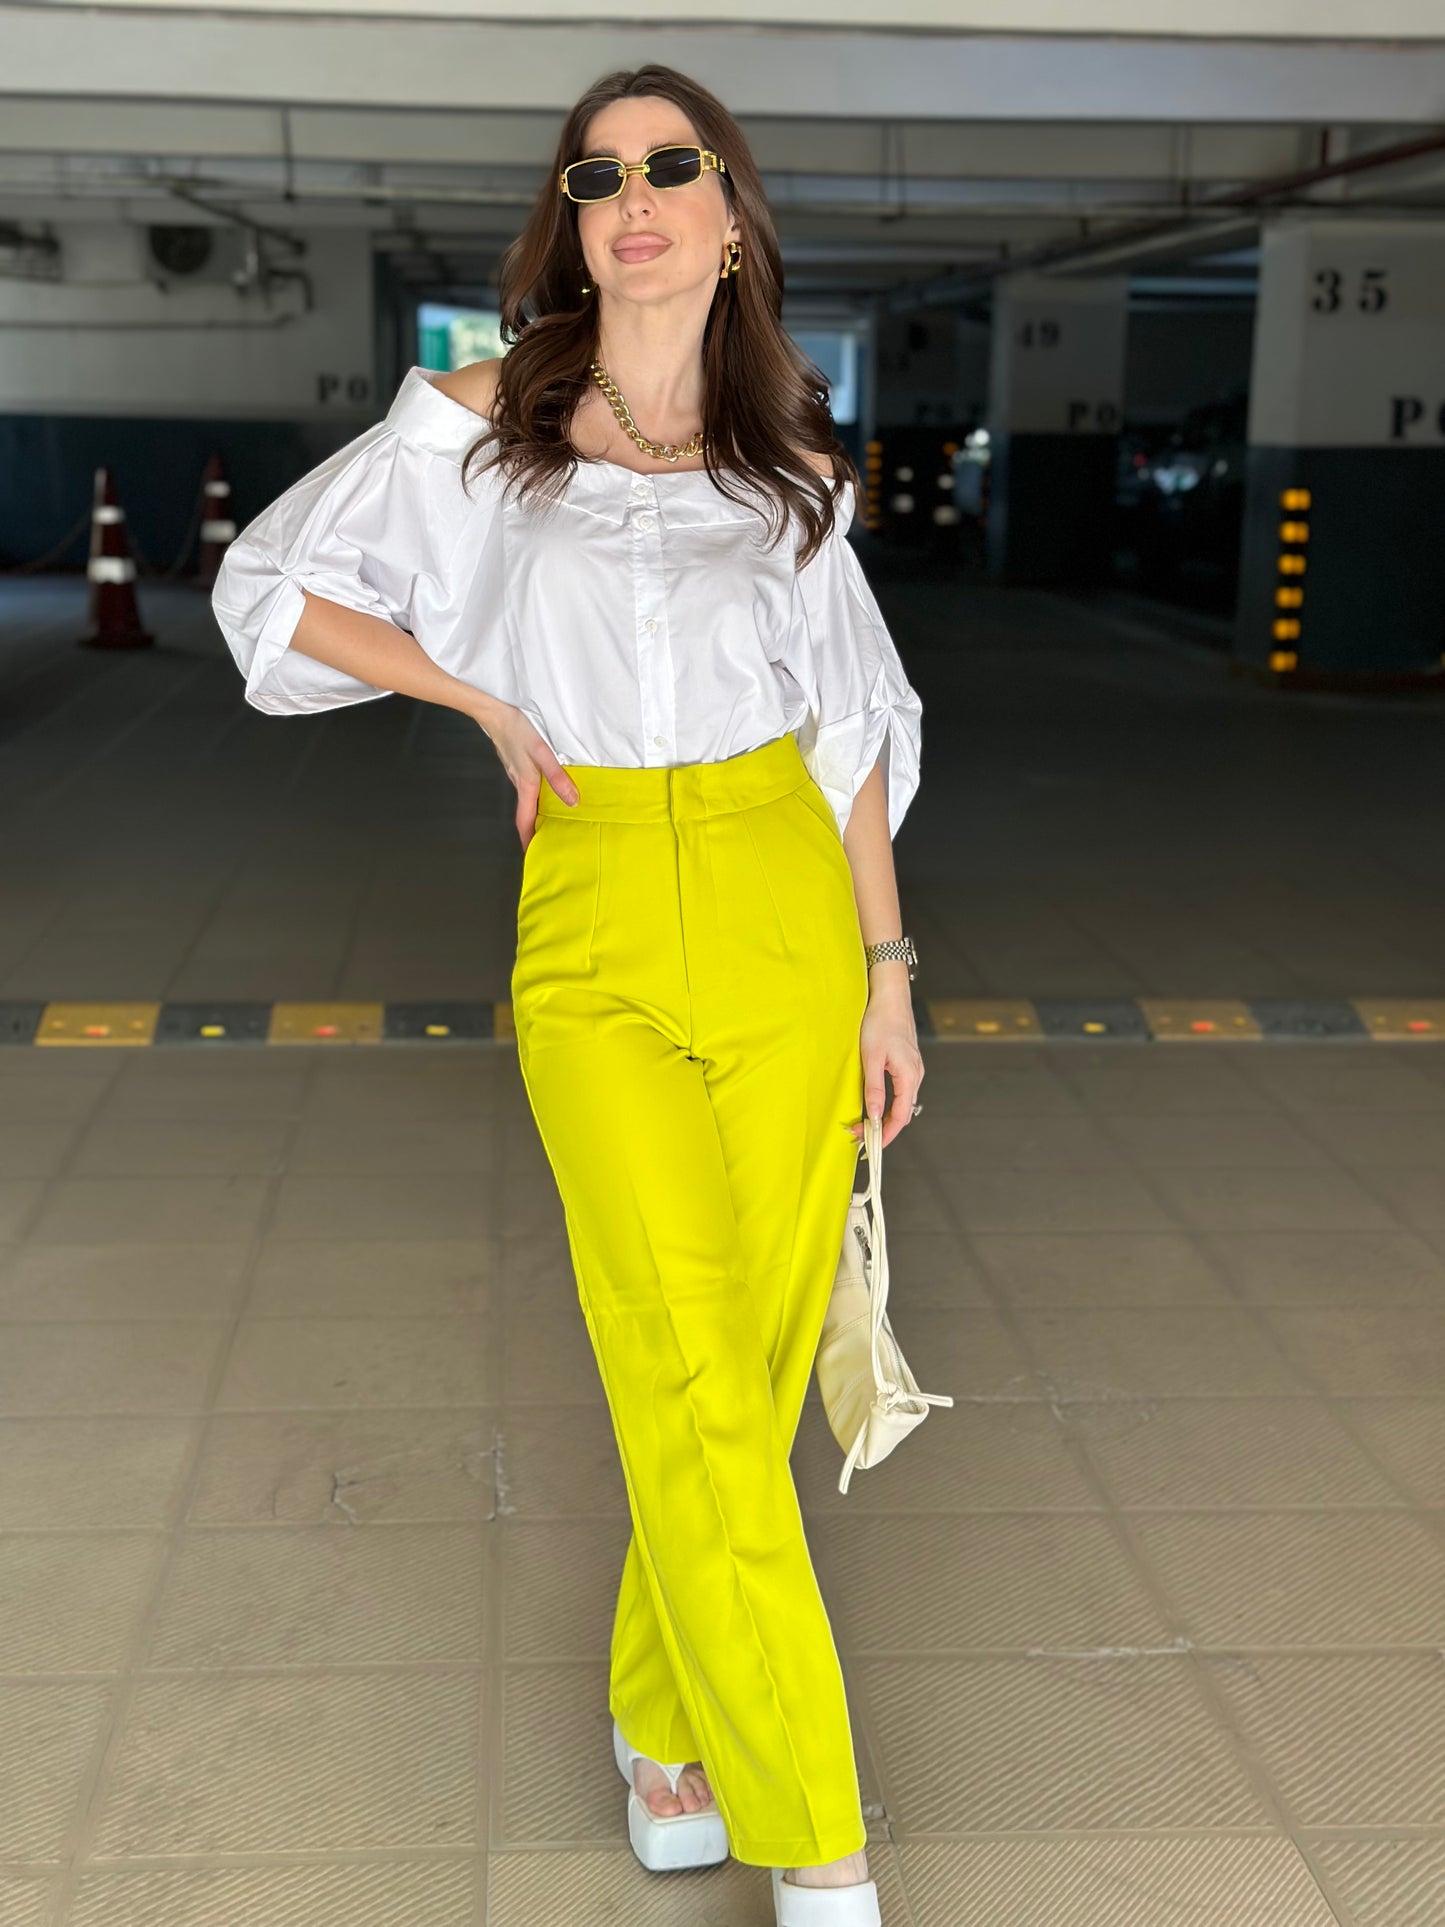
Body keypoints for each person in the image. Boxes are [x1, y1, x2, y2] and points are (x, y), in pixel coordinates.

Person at [212, 60, 923, 1927]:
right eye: (596, 173)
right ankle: (819, 1841)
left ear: (730, 213)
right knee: (678, 1362)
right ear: (572, 221)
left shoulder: (798, 462)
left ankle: (652, 1719)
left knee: (743, 1374)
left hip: (784, 903)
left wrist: (887, 974)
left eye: (671, 166)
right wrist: (479, 698)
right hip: (595, 905)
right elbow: (269, 592)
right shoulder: (483, 420)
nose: (635, 197)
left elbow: (852, 729)